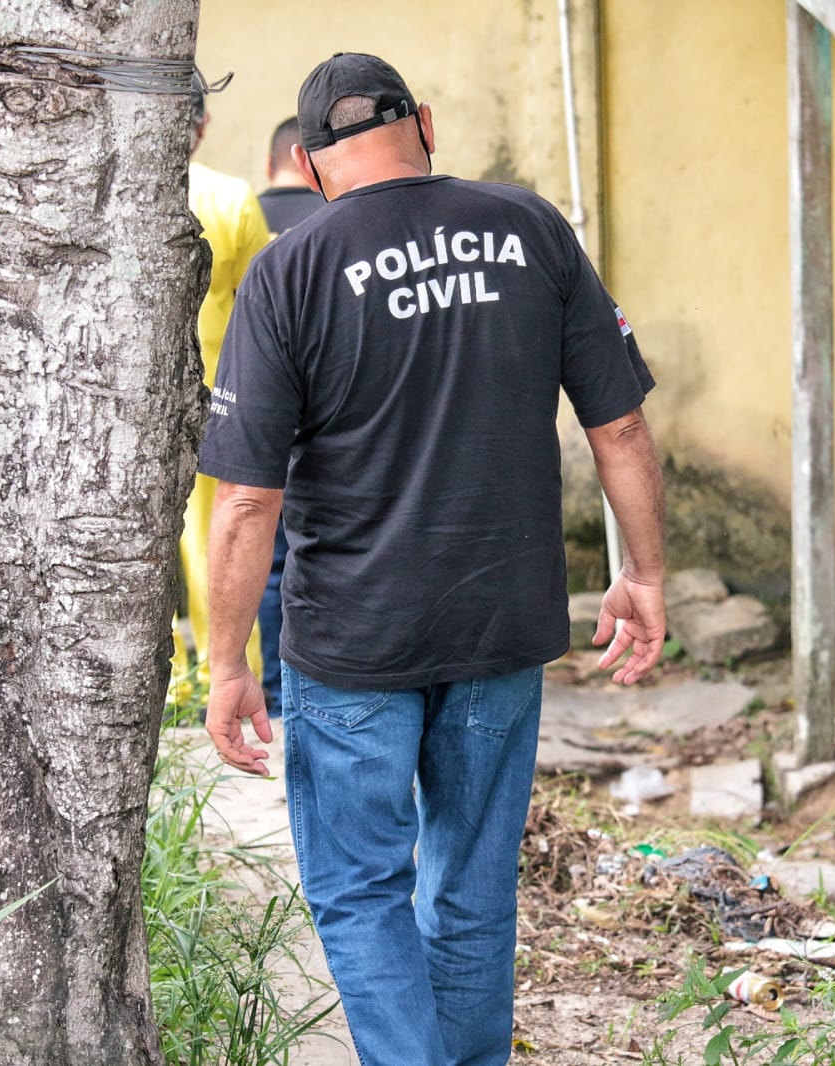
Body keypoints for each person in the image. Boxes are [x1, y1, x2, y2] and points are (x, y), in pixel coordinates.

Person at [199, 53, 666, 1066]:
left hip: (354, 641)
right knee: (470, 890)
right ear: (429, 124)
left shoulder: (292, 270)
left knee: (358, 888)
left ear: (314, 170)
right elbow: (621, 429)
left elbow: (245, 501)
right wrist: (646, 574)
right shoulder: (532, 227)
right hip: (502, 626)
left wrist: (227, 660)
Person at [174, 90, 273, 692]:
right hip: (213, 400)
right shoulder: (232, 198)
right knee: (218, 544)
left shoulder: (100, 195)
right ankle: (225, 677)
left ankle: (162, 684)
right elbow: (257, 311)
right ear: (203, 124)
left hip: (112, 407)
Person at [251, 117, 327, 718]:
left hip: (254, 415)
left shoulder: (242, 220)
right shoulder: (339, 228)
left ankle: (276, 693)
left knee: (272, 562)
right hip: (335, 423)